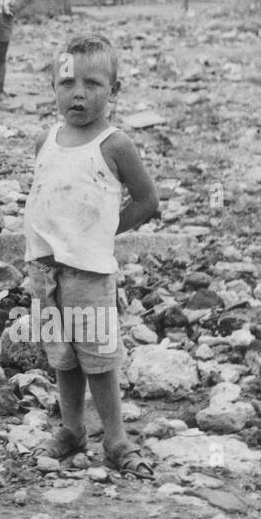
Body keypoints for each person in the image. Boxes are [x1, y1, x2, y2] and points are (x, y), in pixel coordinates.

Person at [22, 35, 160, 479]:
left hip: (88, 273)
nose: (78, 93)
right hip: (43, 272)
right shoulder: (47, 138)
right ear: (53, 87)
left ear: (114, 91)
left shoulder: (114, 144)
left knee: (98, 359)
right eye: (67, 83)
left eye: (93, 83)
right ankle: (72, 428)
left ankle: (116, 438)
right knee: (62, 356)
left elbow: (146, 200)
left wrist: (104, 233)